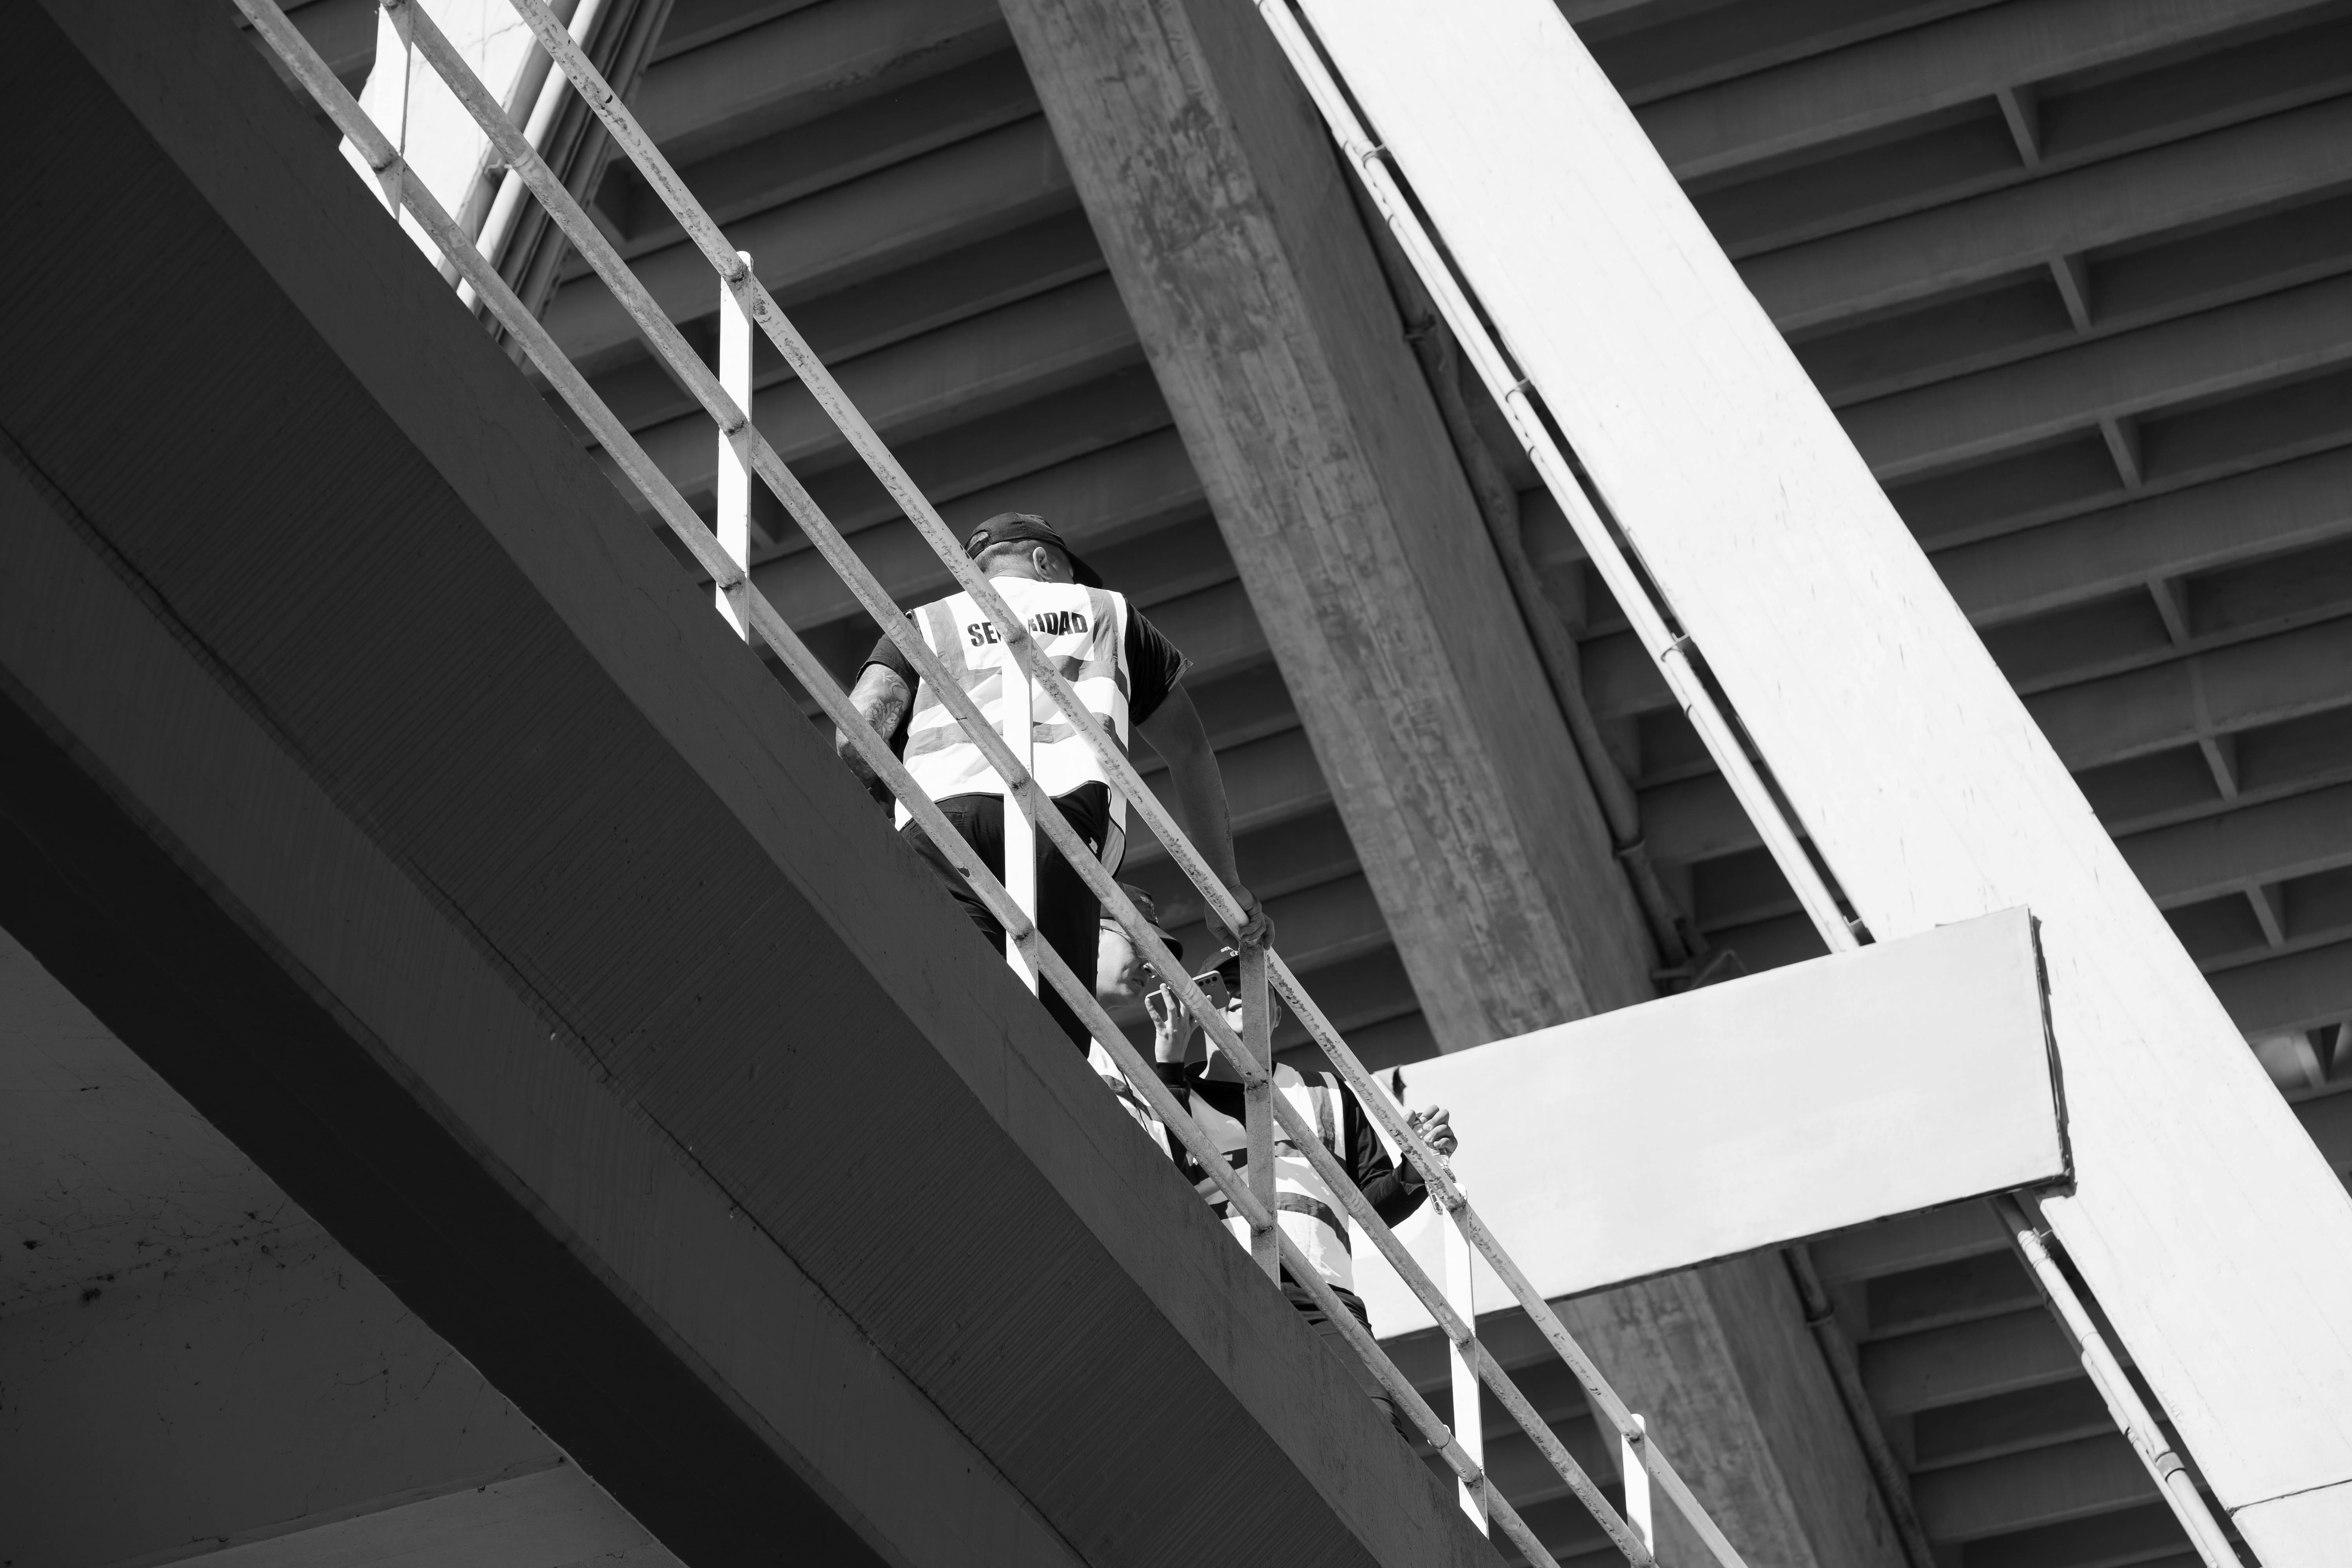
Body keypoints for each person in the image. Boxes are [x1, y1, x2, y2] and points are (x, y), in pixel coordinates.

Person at [838, 513, 1267, 1050]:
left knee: (946, 1017)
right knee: (1050, 1051)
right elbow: (1190, 749)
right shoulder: (1106, 610)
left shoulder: (924, 621)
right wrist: (1223, 888)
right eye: (1069, 572)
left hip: (940, 825)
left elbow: (856, 734)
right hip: (1060, 826)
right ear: (1043, 562)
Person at [1146, 951, 1457, 1437]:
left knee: (1378, 1425)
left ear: (1276, 1010)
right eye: (1224, 988)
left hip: (1326, 1292)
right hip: (1222, 1277)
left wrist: (1418, 1168)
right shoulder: (1172, 1094)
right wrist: (1166, 1068)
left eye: (1251, 988)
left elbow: (1371, 1203)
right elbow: (1154, 1176)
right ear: (1197, 1004)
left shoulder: (1327, 1092)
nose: (1239, 1000)